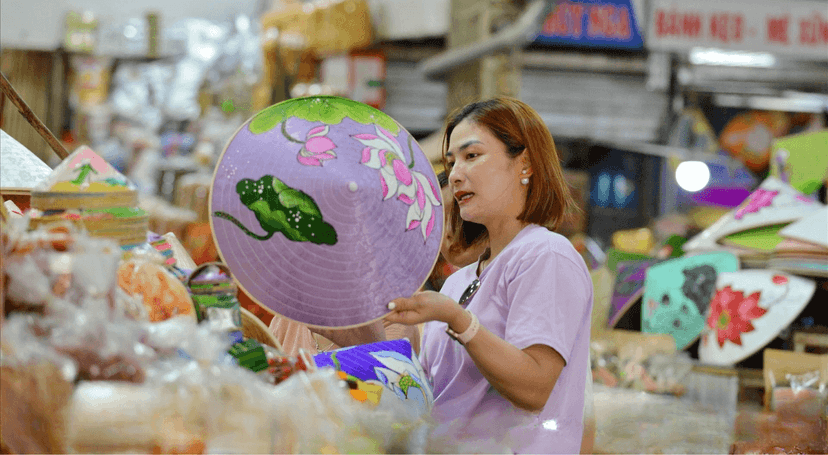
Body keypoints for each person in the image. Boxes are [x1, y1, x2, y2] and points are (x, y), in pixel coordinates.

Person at [386, 96, 594, 454]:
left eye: (472, 156)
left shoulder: (546, 255)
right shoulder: (458, 281)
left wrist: (456, 318)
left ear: (524, 164)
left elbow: (534, 387)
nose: (455, 174)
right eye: (451, 162)